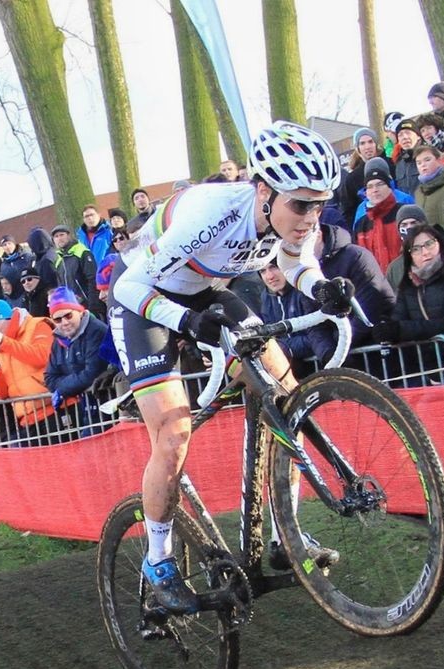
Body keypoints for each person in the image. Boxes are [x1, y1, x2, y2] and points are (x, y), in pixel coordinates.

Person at [110, 120, 351, 611]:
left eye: (319, 204)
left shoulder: (291, 218)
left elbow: (294, 262)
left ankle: (288, 532)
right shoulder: (211, 213)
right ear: (264, 191)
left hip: (205, 293)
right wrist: (188, 323)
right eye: (300, 204)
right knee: (174, 437)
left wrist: (319, 286)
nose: (309, 216)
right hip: (143, 301)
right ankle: (158, 560)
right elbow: (127, 287)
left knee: (287, 396)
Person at [370, 223, 444, 377]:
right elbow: (398, 320)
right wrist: (386, 327)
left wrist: (400, 330)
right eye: (416, 249)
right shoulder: (408, 285)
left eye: (429, 244)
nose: (424, 252)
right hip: (427, 371)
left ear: (440, 243)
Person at [0, 299, 56, 438]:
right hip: (26, 419)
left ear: (10, 318)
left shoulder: (37, 325)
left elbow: (43, 357)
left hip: (54, 410)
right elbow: (1, 394)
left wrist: (5, 342)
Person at [44, 289, 111, 436]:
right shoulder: (58, 340)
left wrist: (62, 389)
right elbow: (49, 379)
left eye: (68, 315)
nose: (64, 322)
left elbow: (92, 373)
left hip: (107, 406)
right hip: (84, 407)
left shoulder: (96, 331)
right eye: (58, 319)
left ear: (79, 311)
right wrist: (72, 384)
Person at [257, 261, 337, 377]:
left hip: (320, 365)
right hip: (294, 368)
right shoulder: (266, 297)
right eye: (262, 271)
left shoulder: (306, 290)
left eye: (274, 267)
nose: (270, 276)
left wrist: (283, 347)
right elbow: (272, 336)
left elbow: (319, 337)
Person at [353, 158, 409, 270]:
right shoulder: (361, 224)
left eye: (380, 184)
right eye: (370, 186)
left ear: (389, 187)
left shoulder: (404, 213)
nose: (375, 190)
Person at [413, 143, 444, 250]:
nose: (423, 165)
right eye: (419, 163)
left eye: (427, 160)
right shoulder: (418, 192)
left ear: (439, 160)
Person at [52, 224, 99, 311]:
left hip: (88, 305)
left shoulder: (81, 252)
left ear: (69, 236)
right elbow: (61, 286)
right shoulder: (59, 260)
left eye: (62, 235)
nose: (59, 238)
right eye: (56, 236)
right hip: (72, 307)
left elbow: (93, 279)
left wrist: (93, 306)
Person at [391, 119, 423, 196]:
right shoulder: (398, 163)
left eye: (408, 133)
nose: (404, 137)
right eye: (400, 135)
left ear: (418, 136)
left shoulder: (428, 156)